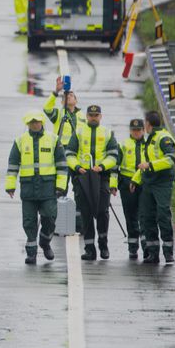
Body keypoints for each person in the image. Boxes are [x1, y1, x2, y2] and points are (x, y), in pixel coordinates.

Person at [5, 111, 68, 264]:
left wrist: (61, 185)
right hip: (28, 187)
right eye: (32, 122)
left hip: (48, 187)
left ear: (42, 122)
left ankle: (45, 242)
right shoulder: (20, 141)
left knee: (50, 217)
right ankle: (31, 253)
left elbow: (62, 165)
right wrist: (10, 186)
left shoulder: (53, 139)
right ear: (28, 124)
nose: (35, 124)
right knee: (29, 221)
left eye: (37, 122)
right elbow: (13, 165)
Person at [66, 105, 119, 261]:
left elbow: (113, 156)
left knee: (102, 211)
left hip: (101, 176)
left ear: (100, 117)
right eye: (91, 115)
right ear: (87, 116)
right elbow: (69, 153)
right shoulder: (79, 132)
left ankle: (103, 245)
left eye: (96, 115)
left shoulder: (108, 133)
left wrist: (101, 166)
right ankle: (89, 249)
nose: (93, 117)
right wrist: (77, 167)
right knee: (86, 213)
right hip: (82, 177)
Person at [130, 111, 175, 265]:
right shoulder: (149, 139)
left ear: (148, 124)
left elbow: (171, 159)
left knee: (163, 215)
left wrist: (150, 166)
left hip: (162, 183)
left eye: (145, 122)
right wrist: (136, 179)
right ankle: (153, 253)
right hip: (148, 183)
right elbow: (144, 162)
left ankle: (168, 253)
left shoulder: (163, 138)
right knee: (147, 217)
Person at [111, 118, 146, 259]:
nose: (136, 133)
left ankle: (146, 246)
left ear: (143, 130)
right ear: (130, 131)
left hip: (144, 184)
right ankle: (133, 246)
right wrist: (113, 185)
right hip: (127, 184)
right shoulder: (123, 145)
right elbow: (115, 167)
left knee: (144, 216)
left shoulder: (150, 145)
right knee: (130, 215)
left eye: (139, 130)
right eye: (134, 130)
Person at [43, 77, 86, 147]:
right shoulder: (57, 114)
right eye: (65, 96)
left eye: (71, 95)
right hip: (62, 148)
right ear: (62, 102)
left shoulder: (83, 116)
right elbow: (46, 108)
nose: (68, 96)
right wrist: (56, 91)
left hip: (78, 148)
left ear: (76, 101)